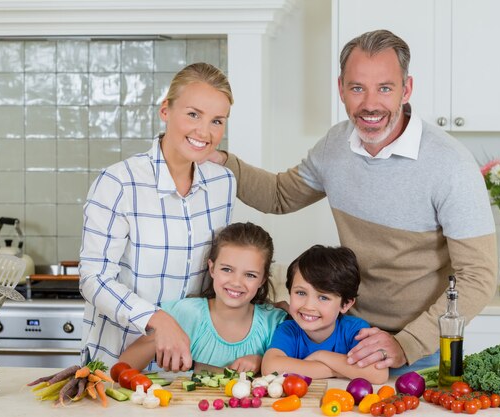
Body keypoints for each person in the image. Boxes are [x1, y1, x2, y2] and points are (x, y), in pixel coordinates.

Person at [208, 30, 497, 374]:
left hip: (422, 351)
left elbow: (478, 276)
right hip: (347, 338)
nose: (370, 104)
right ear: (341, 88)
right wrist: (217, 158)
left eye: (385, 88)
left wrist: (407, 344)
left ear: (407, 89)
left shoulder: (450, 165)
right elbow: (279, 195)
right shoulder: (336, 145)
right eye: (358, 88)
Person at [79, 62, 237, 371]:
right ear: (165, 110)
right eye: (193, 114)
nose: (205, 132)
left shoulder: (223, 183)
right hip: (118, 364)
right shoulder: (119, 182)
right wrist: (156, 319)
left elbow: (218, 271)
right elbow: (93, 278)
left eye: (217, 121)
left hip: (191, 363)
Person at [119, 222, 287, 373]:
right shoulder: (186, 313)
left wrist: (263, 362)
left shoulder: (274, 322)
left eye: (250, 275)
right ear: (212, 268)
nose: (236, 282)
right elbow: (124, 366)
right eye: (227, 269)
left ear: (263, 279)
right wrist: (159, 336)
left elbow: (298, 369)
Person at [262, 245, 389, 384]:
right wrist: (339, 370)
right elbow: (270, 368)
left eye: (323, 297)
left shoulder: (356, 330)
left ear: (345, 304)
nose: (308, 306)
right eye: (301, 293)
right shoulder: (288, 330)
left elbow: (378, 373)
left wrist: (321, 355)